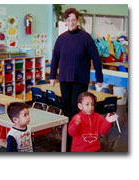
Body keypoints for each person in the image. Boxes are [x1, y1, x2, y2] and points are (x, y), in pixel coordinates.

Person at [50, 8, 103, 151]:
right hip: (65, 79)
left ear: (77, 20)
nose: (71, 22)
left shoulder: (85, 37)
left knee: (76, 109)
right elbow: (55, 58)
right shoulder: (61, 39)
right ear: (65, 22)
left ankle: (77, 141)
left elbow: (96, 58)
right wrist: (52, 76)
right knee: (66, 109)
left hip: (80, 80)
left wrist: (99, 77)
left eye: (73, 20)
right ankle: (67, 140)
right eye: (68, 20)